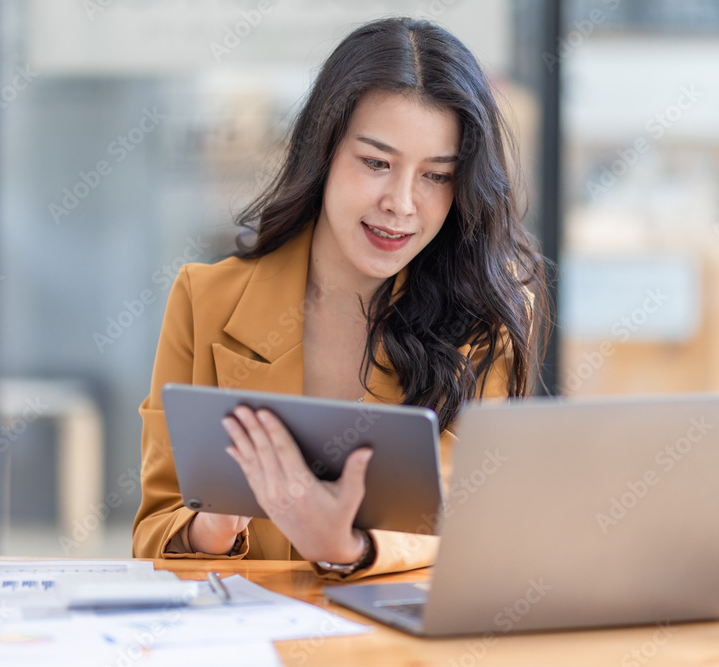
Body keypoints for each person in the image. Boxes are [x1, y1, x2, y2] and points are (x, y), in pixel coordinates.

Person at [132, 16, 550, 580]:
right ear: (323, 151)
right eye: (376, 163)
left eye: (436, 176)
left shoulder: (483, 320)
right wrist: (213, 528)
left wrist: (350, 544)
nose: (402, 203)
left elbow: (472, 521)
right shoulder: (204, 300)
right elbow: (153, 530)